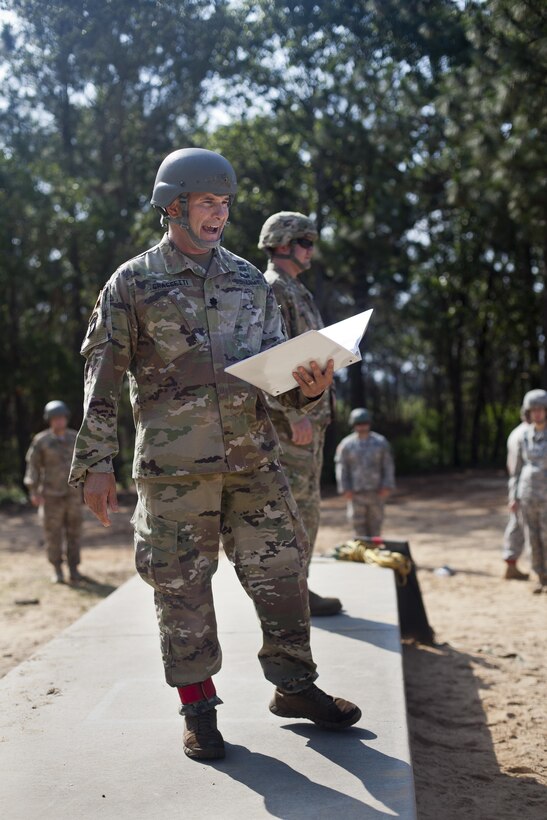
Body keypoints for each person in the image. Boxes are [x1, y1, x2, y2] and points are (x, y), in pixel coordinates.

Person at [69, 148, 361, 762]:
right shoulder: (133, 282)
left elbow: (275, 372)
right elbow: (103, 374)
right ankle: (198, 709)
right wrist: (96, 462)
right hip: (176, 474)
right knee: (182, 590)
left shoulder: (249, 280)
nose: (219, 215)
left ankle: (295, 688)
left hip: (255, 460)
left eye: (225, 204)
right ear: (172, 206)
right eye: (207, 202)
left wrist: (306, 388)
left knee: (282, 576)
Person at [258, 211, 341, 617]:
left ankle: (300, 591)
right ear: (284, 245)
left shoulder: (296, 290)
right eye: (305, 243)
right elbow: (269, 362)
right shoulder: (274, 288)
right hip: (291, 424)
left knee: (308, 508)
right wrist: (293, 416)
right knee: (296, 511)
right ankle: (291, 599)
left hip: (310, 418)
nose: (311, 250)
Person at [24, 401, 83, 584]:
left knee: (74, 532)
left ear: (66, 418)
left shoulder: (76, 438)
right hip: (51, 496)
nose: (59, 421)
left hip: (73, 495)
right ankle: (57, 568)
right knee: (53, 534)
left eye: (62, 418)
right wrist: (33, 490)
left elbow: (86, 465)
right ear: (49, 420)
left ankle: (74, 568)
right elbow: (32, 466)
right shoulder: (41, 441)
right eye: (55, 418)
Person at [508, 389, 547, 594]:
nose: (538, 414)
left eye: (541, 409)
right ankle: (540, 576)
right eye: (534, 410)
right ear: (528, 413)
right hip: (527, 496)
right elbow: (516, 470)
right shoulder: (523, 437)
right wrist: (513, 496)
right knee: (532, 539)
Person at [335, 407, 395, 537]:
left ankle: (375, 553)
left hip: (376, 492)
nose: (362, 427)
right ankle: (361, 553)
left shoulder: (380, 442)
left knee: (376, 526)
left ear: (369, 423)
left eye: (365, 423)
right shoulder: (346, 445)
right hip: (356, 493)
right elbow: (342, 467)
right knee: (358, 526)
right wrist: (345, 488)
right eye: (359, 424)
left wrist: (387, 485)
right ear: (353, 425)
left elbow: (388, 465)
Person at [502, 417, 529, 580]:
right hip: (527, 488)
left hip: (520, 487)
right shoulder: (526, 434)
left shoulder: (516, 433)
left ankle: (511, 563)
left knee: (516, 525)